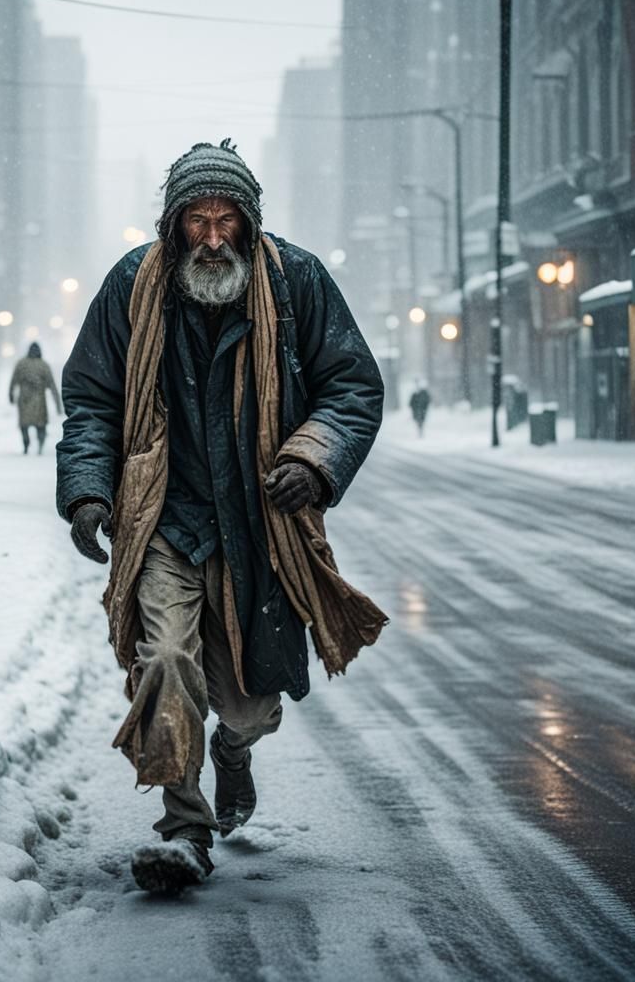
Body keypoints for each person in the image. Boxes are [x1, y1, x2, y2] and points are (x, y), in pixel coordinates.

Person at [56, 140, 387, 895]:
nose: (211, 238)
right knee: (166, 662)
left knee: (245, 703)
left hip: (257, 522)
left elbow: (352, 386)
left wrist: (312, 458)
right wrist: (86, 489)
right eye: (196, 221)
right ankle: (184, 828)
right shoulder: (130, 287)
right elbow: (94, 400)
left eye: (226, 221)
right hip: (164, 518)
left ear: (249, 223)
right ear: (173, 227)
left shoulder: (296, 281)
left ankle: (234, 752)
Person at [9, 342, 61, 454]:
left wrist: (11, 395)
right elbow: (52, 385)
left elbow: (13, 381)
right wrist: (58, 405)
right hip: (39, 401)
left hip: (24, 400)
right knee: (40, 425)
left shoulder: (21, 364)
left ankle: (26, 444)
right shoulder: (43, 365)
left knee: (24, 424)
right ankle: (40, 445)